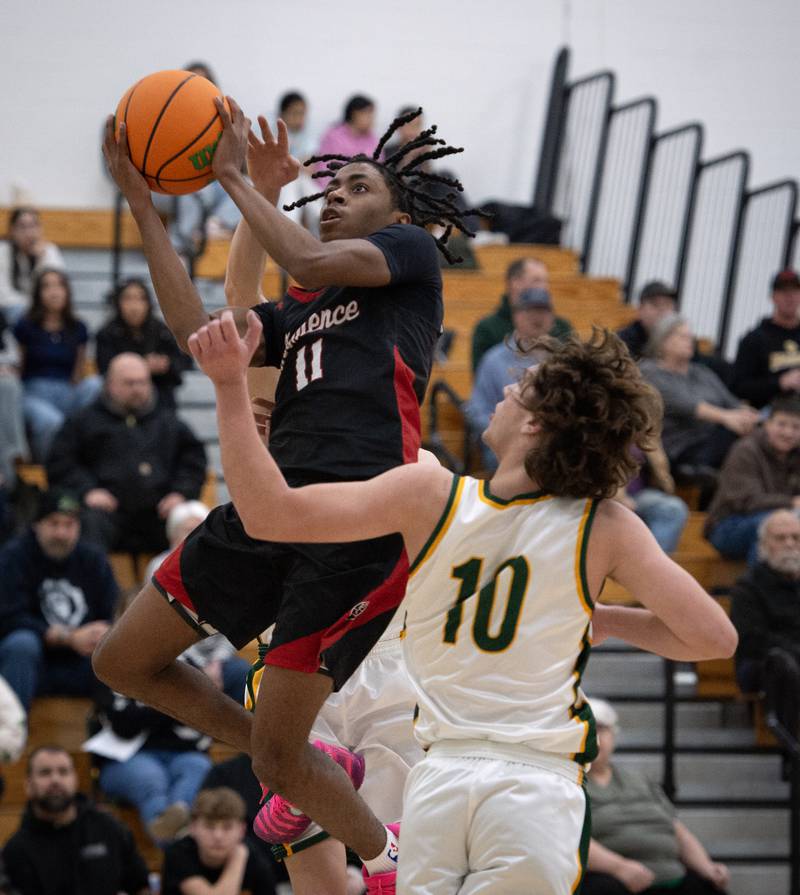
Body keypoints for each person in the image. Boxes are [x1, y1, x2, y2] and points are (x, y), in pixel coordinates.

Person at [187, 315, 736, 894]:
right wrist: (605, 621)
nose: (501, 391)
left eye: (518, 388)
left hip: (439, 782)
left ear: (536, 424)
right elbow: (712, 640)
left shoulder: (430, 495)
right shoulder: (604, 525)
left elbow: (267, 513)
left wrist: (227, 387)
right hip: (526, 785)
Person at [95, 100, 483, 893]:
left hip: (358, 523)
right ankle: (316, 772)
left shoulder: (406, 256)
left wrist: (240, 179)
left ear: (399, 210)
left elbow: (305, 259)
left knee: (276, 761)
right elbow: (199, 330)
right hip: (273, 508)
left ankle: (382, 852)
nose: (336, 192)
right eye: (331, 185)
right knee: (123, 661)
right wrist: (143, 205)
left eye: (358, 185)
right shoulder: (301, 308)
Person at [46, 352, 207, 555]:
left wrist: (180, 492)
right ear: (110, 384)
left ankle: (190, 587)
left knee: (190, 521)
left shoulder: (168, 422)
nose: (137, 389)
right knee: (88, 522)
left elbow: (193, 461)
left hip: (158, 512)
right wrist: (87, 490)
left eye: (142, 383)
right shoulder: (83, 421)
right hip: (108, 512)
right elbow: (60, 463)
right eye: (129, 383)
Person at [91, 590, 213, 844]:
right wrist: (171, 704)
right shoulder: (107, 662)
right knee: (150, 778)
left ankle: (178, 814)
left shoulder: (187, 659)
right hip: (128, 757)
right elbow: (123, 723)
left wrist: (148, 703)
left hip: (183, 753)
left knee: (198, 767)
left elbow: (202, 711)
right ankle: (175, 848)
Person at [583, 699, 730, 895]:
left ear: (614, 735)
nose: (595, 737)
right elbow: (571, 839)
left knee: (709, 885)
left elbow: (678, 831)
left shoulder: (639, 780)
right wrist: (620, 868)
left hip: (670, 875)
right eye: (587, 729)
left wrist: (707, 866)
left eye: (601, 729)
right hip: (613, 878)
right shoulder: (567, 784)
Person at [0, 489, 116, 711]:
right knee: (21, 644)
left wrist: (99, 633)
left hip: (82, 661)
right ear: (37, 525)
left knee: (118, 649)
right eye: (54, 523)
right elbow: (9, 618)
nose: (61, 533)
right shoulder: (13, 557)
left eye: (69, 525)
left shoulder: (94, 560)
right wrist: (67, 637)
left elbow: (111, 614)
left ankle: (115, 732)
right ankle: (10, 735)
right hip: (32, 661)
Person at [3, 745, 151, 895]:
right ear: (28, 785)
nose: (55, 780)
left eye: (63, 771)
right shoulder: (16, 851)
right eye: (45, 773)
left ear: (75, 780)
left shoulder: (108, 828)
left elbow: (140, 885)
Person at [144, 500, 250, 703]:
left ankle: (243, 734)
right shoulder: (158, 567)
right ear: (173, 537)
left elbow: (233, 625)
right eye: (187, 531)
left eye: (200, 530)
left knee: (247, 676)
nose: (195, 537)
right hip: (177, 655)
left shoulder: (225, 569)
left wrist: (216, 662)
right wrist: (200, 668)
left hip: (216, 658)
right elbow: (163, 628)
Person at [640, 314, 759, 472]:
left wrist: (752, 417)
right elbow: (687, 405)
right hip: (681, 446)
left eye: (690, 337)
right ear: (663, 340)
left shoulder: (702, 372)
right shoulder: (650, 372)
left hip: (716, 437)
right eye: (683, 336)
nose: (690, 341)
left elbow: (731, 402)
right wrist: (726, 418)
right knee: (736, 439)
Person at [12, 269, 101, 461]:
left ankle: (90, 459)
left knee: (96, 384)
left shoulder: (78, 328)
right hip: (34, 393)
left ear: (67, 291)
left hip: (66, 391)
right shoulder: (25, 326)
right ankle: (51, 471)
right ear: (38, 293)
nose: (54, 292)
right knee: (50, 420)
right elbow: (18, 367)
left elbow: (77, 372)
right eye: (47, 286)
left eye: (59, 286)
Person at [466, 286, 555, 469]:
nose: (538, 316)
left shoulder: (561, 360)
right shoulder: (493, 359)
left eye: (544, 310)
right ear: (516, 315)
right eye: (531, 310)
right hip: (504, 447)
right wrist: (508, 433)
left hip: (550, 446)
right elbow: (477, 410)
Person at [704, 397, 800, 563]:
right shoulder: (746, 450)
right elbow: (746, 501)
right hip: (728, 526)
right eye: (782, 424)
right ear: (767, 424)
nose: (788, 432)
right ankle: (760, 587)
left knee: (782, 525)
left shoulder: (796, 455)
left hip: (784, 518)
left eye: (796, 427)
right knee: (773, 525)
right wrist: (791, 502)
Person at [730, 509, 800, 697]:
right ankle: (783, 727)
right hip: (764, 664)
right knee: (782, 664)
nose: (790, 544)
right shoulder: (747, 586)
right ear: (764, 544)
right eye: (780, 538)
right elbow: (752, 641)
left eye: (796, 537)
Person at [161, 788, 277, 895]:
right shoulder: (178, 853)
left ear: (242, 830)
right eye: (209, 826)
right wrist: (238, 857)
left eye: (227, 827)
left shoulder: (255, 858)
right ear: (193, 827)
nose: (218, 836)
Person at [95, 278, 188, 409]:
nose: (135, 306)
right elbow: (104, 371)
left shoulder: (162, 331)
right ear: (118, 303)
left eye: (141, 299)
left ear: (148, 303)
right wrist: (142, 366)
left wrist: (165, 365)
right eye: (128, 299)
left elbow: (180, 369)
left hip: (160, 395)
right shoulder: (107, 333)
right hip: (119, 398)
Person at [470, 257, 572, 371]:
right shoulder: (487, 328)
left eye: (546, 281)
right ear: (515, 282)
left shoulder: (562, 326)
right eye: (537, 280)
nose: (544, 287)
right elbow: (482, 377)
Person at [732, 269, 800, 408]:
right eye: (783, 292)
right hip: (771, 415)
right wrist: (780, 383)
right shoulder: (754, 340)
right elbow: (738, 387)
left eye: (794, 291)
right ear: (773, 297)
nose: (790, 297)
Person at [617, 444, 689, 555]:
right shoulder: (604, 431)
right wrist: (619, 498)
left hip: (640, 493)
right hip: (607, 494)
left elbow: (662, 471)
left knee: (673, 508)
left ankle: (657, 564)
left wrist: (663, 478)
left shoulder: (647, 435)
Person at [0, 208, 64, 320]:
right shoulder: (3, 252)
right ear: (12, 230)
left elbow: (56, 290)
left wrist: (40, 260)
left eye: (33, 226)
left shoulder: (49, 252)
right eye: (22, 227)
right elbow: (3, 296)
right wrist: (31, 307)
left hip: (44, 312)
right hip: (11, 313)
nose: (29, 233)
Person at [616, 281, 678, 360]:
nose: (662, 310)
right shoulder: (623, 341)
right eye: (655, 304)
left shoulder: (682, 340)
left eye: (667, 304)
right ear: (640, 310)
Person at [316, 95, 381, 169]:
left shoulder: (373, 139)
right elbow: (324, 167)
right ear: (355, 114)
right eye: (368, 114)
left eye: (372, 115)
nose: (372, 119)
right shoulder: (333, 136)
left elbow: (379, 168)